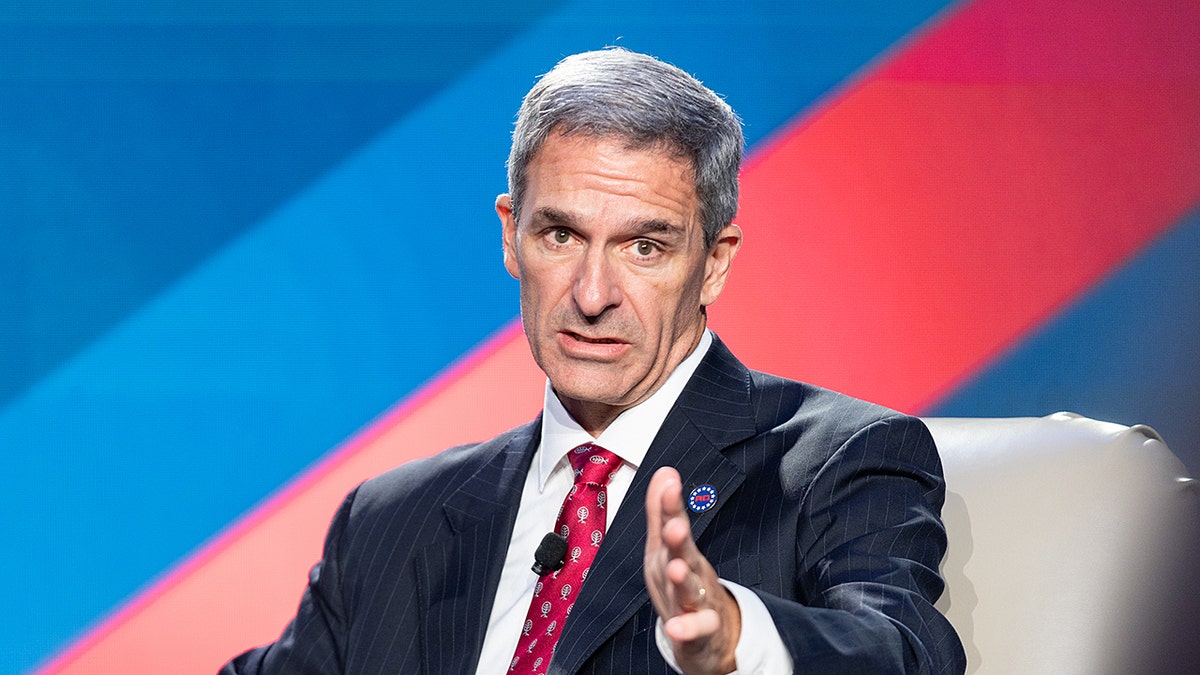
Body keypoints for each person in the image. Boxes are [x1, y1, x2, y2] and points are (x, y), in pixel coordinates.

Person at [222, 47, 966, 675]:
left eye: (645, 246)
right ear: (511, 236)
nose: (593, 294)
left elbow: (899, 650)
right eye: (561, 235)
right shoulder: (390, 520)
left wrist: (737, 636)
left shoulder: (837, 460)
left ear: (714, 262)